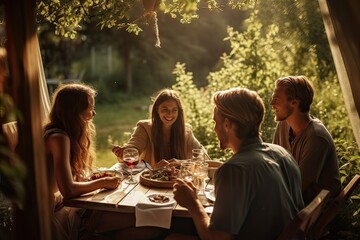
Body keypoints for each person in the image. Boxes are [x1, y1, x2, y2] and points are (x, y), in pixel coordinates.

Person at [171, 87, 304, 240]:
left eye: (215, 122)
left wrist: (193, 204)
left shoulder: (233, 170)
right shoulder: (282, 153)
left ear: (227, 124)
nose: (214, 128)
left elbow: (217, 238)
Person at [44, 83, 121, 240]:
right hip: (52, 211)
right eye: (90, 107)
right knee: (138, 225)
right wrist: (104, 182)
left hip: (64, 203)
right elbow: (68, 190)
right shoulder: (58, 138)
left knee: (136, 224)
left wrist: (91, 178)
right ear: (75, 111)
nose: (94, 113)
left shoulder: (64, 133)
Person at [270, 75, 341, 204]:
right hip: (295, 200)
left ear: (295, 103)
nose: (271, 104)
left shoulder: (316, 137)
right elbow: (274, 165)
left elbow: (299, 187)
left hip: (315, 209)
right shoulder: (283, 125)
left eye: (276, 99)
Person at [112, 88, 205, 168]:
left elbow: (202, 156)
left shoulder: (186, 131)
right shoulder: (144, 128)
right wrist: (123, 154)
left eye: (174, 110)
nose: (170, 114)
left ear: (179, 112)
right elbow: (133, 150)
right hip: (149, 182)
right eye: (165, 109)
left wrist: (180, 162)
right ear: (157, 109)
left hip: (178, 181)